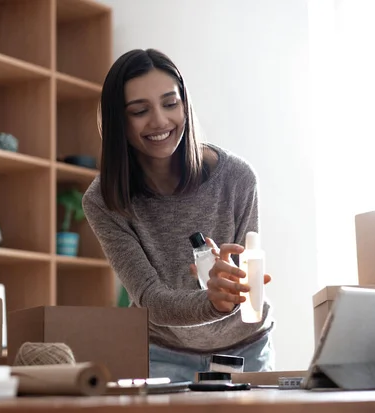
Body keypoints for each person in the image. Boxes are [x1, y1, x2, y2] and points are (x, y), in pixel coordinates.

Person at [82, 48, 275, 382]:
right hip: (163, 352)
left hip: (245, 346)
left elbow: (248, 290)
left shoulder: (237, 178)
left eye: (170, 104)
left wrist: (232, 288)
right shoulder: (104, 200)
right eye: (140, 111)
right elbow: (148, 300)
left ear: (185, 104)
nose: (159, 121)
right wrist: (212, 301)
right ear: (118, 122)